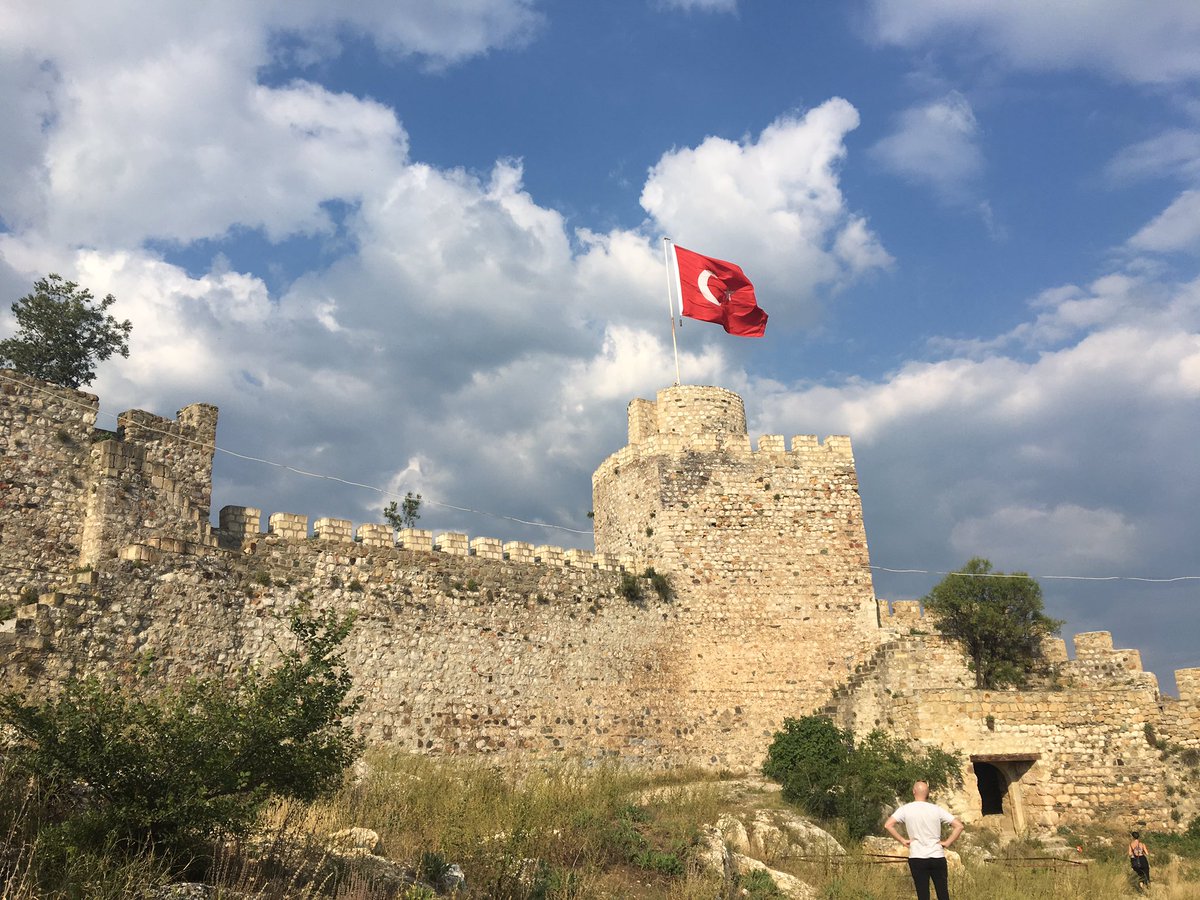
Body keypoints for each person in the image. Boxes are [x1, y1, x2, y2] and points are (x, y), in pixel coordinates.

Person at [883, 781, 965, 900]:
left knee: (923, 894)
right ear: (928, 793)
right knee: (943, 893)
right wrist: (947, 842)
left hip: (917, 856)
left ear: (914, 792)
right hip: (937, 855)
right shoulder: (936, 809)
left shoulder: (906, 809)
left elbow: (888, 825)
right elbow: (959, 826)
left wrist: (902, 840)